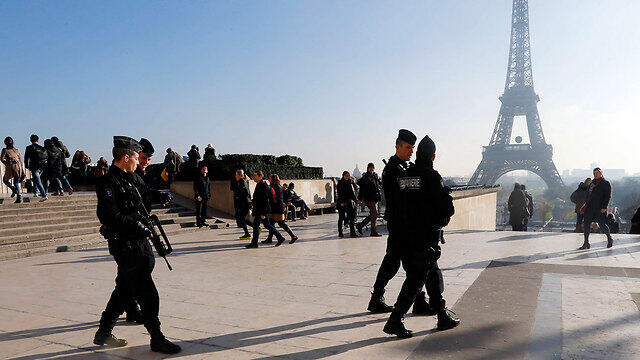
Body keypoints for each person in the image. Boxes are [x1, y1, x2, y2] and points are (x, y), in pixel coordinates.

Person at [93, 136, 180, 354]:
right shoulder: (108, 182)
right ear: (125, 157)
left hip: (140, 241)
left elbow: (140, 203)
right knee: (147, 293)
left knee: (124, 289)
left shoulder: (131, 178)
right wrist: (136, 225)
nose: (138, 161)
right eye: (135, 158)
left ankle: (103, 332)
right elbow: (108, 214)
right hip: (125, 243)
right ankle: (156, 337)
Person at [383, 134, 459, 338]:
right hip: (424, 237)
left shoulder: (404, 175)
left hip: (404, 235)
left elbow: (396, 203)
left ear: (417, 153)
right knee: (417, 278)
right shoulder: (432, 176)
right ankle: (395, 320)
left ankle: (442, 314)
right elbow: (447, 208)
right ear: (433, 157)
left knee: (431, 274)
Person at [368, 129, 431, 314]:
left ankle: (413, 300)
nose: (411, 150)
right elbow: (402, 196)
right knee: (396, 263)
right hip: (399, 223)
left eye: (412, 147)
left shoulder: (403, 167)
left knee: (407, 263)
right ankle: (379, 298)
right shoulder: (393, 169)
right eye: (408, 147)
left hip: (405, 223)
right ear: (398, 146)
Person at [246, 171, 286, 248]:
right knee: (266, 225)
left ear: (260, 176)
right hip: (261, 209)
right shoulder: (260, 184)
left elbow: (264, 200)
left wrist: (263, 213)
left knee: (256, 225)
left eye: (255, 175)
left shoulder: (262, 185)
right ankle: (280, 237)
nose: (253, 177)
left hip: (261, 210)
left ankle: (254, 243)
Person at [579, 168, 614, 249]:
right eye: (594, 173)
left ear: (601, 173)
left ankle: (609, 238)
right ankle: (586, 243)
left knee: (602, 225)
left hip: (599, 208)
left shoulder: (606, 183)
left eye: (597, 173)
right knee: (587, 224)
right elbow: (588, 195)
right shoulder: (592, 183)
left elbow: (607, 196)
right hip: (590, 207)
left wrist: (604, 207)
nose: (595, 174)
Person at [262, 174, 298, 244]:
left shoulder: (276, 187)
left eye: (270, 178)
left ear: (273, 179)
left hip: (277, 208)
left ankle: (293, 236)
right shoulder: (276, 186)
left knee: (281, 223)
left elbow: (275, 197)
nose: (269, 179)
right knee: (271, 223)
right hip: (275, 207)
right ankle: (269, 239)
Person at [356, 163, 382, 237]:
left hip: (374, 198)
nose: (371, 169)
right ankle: (373, 231)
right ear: (367, 168)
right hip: (369, 199)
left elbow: (378, 185)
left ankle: (360, 225)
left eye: (372, 168)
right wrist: (359, 199)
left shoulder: (374, 176)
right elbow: (361, 188)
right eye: (370, 168)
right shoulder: (366, 177)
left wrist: (378, 178)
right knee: (375, 214)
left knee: (374, 214)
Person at [24, 134, 49, 201]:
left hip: (34, 166)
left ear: (30, 140)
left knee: (38, 181)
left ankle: (44, 195)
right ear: (38, 140)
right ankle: (35, 192)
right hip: (42, 167)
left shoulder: (28, 148)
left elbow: (26, 158)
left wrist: (26, 165)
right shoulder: (42, 148)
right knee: (36, 179)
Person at [1, 137, 26, 203]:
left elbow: (2, 159)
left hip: (11, 167)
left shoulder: (5, 150)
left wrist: (7, 163)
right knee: (16, 182)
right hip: (19, 168)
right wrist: (22, 171)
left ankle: (13, 189)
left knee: (5, 180)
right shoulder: (16, 150)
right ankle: (19, 196)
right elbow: (20, 160)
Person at [231, 170, 253, 239]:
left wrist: (238, 196)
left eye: (236, 175)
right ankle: (252, 230)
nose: (235, 176)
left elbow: (246, 193)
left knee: (242, 218)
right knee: (242, 219)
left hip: (244, 204)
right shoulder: (241, 182)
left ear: (240, 175)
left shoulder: (242, 182)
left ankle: (247, 233)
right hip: (243, 203)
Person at [337, 171, 360, 238]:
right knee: (341, 218)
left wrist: (356, 201)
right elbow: (339, 193)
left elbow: (352, 193)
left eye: (348, 176)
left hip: (349, 202)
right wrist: (341, 202)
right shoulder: (340, 183)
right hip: (342, 203)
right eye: (346, 176)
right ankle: (340, 232)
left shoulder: (350, 183)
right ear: (343, 176)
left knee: (351, 218)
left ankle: (352, 232)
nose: (348, 177)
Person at [193, 163, 211, 227]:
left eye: (206, 169)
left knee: (204, 209)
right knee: (199, 209)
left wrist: (209, 195)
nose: (204, 170)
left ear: (207, 171)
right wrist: (197, 195)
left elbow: (208, 187)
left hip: (205, 196)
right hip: (199, 196)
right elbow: (195, 187)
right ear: (201, 170)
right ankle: (198, 222)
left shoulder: (208, 178)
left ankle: (203, 221)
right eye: (203, 169)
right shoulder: (198, 178)